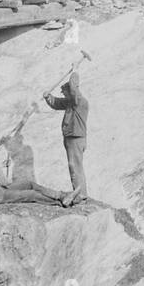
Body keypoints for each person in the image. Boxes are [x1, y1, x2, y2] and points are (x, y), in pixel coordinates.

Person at [0, 132, 76, 207]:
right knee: (31, 194)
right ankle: (61, 201)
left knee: (29, 184)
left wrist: (0, 168)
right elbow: (5, 183)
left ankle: (61, 195)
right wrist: (2, 170)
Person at [44, 73, 88, 201]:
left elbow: (74, 89)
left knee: (75, 167)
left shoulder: (79, 101)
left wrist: (74, 72)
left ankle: (81, 195)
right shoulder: (71, 102)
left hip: (76, 139)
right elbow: (56, 103)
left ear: (71, 92)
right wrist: (48, 97)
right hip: (71, 138)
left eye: (65, 93)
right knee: (73, 166)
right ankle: (79, 193)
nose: (64, 96)